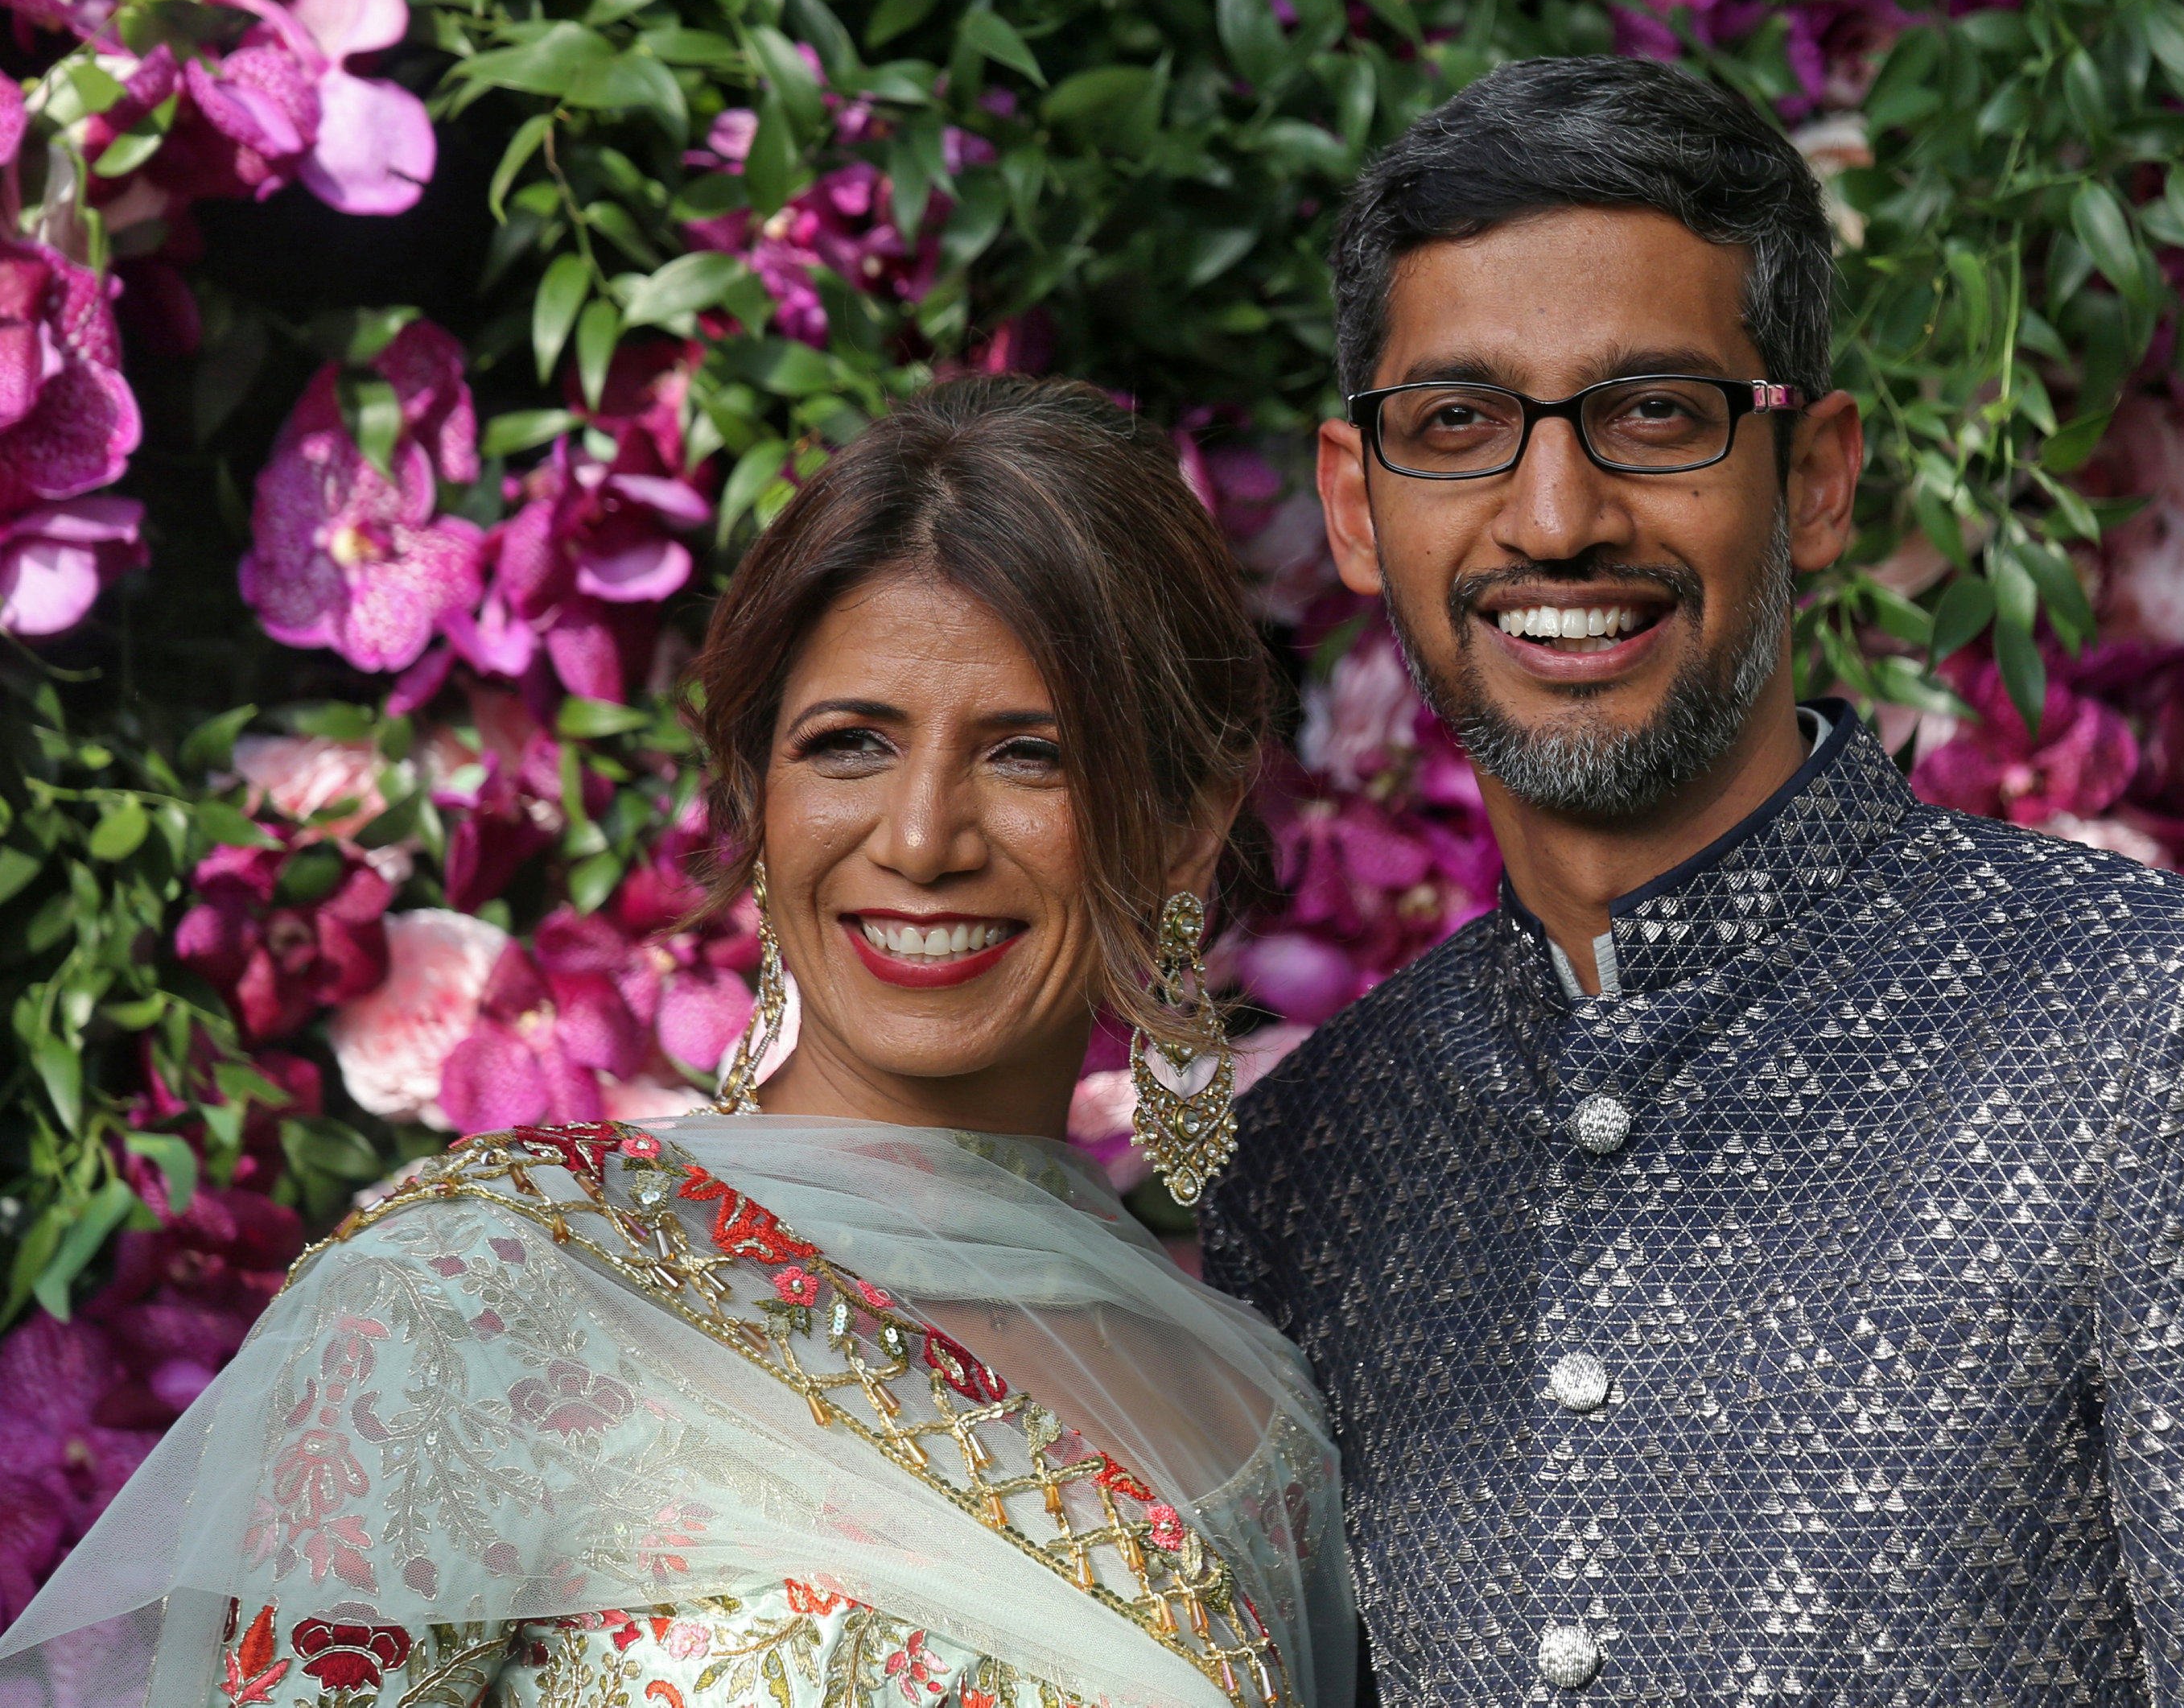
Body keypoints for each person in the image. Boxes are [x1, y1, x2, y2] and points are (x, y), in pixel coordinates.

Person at [1198, 56, 2184, 1704]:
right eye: (1458, 426)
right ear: (1353, 503)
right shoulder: (1311, 1167)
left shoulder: (2170, 1035)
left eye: (1654, 414)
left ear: (1814, 476)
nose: (1553, 516)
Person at [0, 377, 1352, 1708]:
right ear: (755, 798)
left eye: (1029, 755)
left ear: (1186, 820)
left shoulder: (1255, 1426)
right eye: (848, 745)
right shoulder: (492, 1286)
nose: (925, 838)